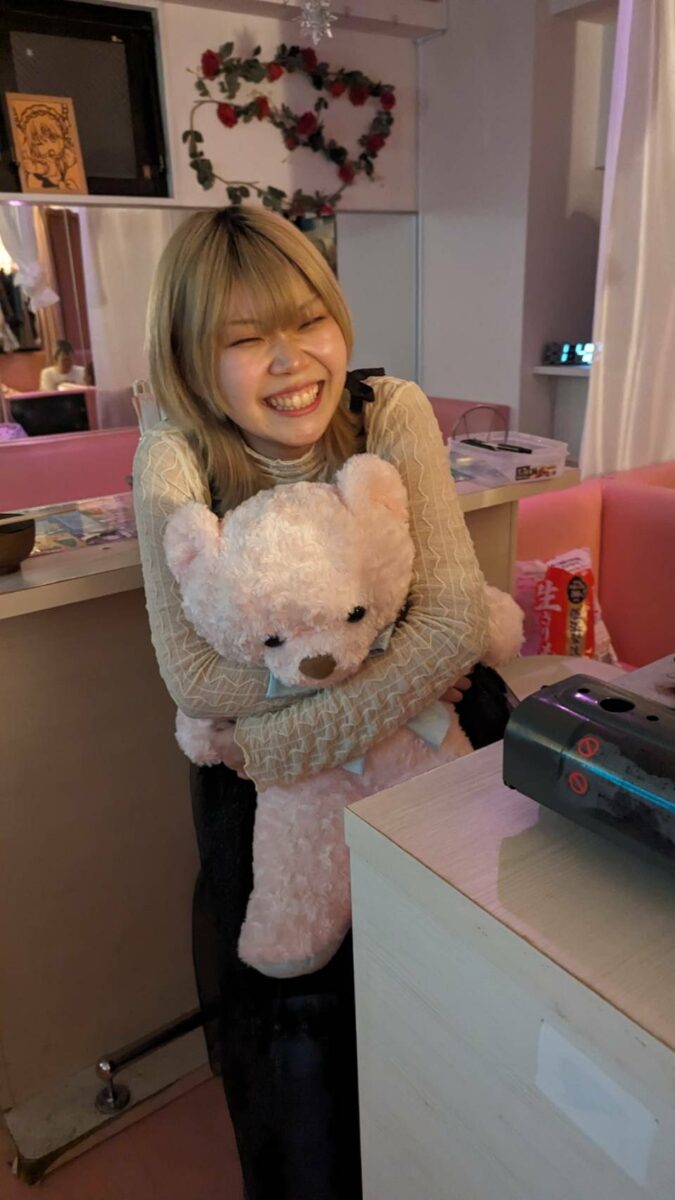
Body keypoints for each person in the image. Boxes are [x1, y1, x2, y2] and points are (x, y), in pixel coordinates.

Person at [133, 206, 488, 1200]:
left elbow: (456, 622)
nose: (292, 362)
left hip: (405, 767)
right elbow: (196, 680)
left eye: (309, 321)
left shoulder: (390, 413)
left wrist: (280, 739)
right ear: (191, 357)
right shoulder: (175, 454)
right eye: (246, 338)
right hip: (263, 812)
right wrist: (400, 671)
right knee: (301, 1068)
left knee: (444, 1024)